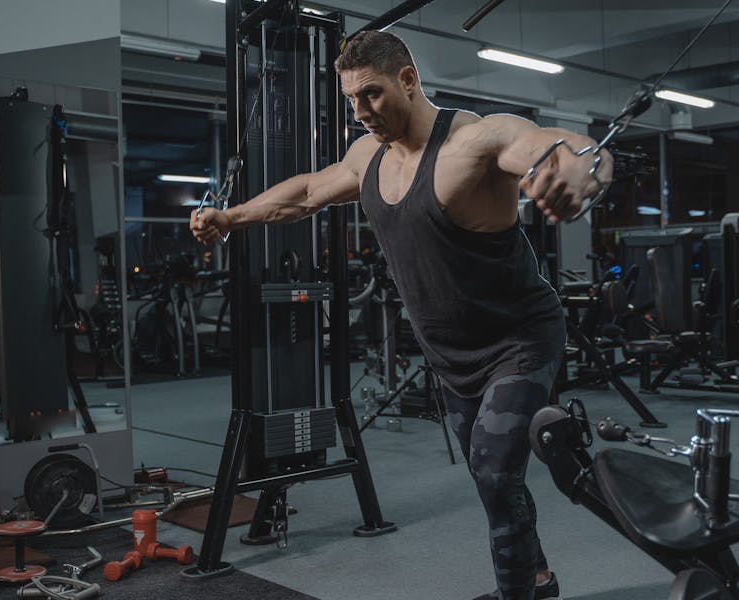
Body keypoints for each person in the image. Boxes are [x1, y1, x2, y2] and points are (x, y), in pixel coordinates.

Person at [191, 30, 610, 600]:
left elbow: (550, 143)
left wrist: (586, 166)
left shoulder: (472, 141)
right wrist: (230, 216)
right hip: (450, 355)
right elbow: (308, 192)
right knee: (494, 478)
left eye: (372, 95)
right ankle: (538, 577)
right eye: (351, 101)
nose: (361, 112)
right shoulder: (369, 156)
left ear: (408, 81)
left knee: (492, 465)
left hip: (520, 339)